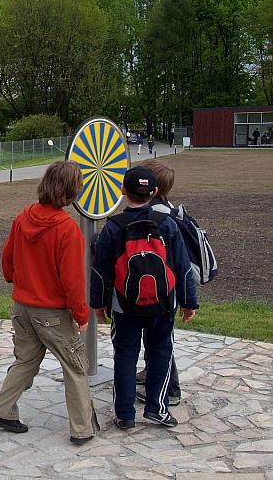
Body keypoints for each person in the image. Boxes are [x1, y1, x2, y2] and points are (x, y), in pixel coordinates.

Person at [0, 161, 99, 446]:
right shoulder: (67, 230)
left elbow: (7, 261)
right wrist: (81, 314)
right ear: (72, 190)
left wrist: (17, 280)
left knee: (26, 359)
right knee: (75, 367)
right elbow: (73, 281)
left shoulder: (22, 218)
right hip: (53, 312)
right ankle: (82, 428)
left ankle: (2, 409)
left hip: (22, 306)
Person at [90, 167, 198, 430]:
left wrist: (98, 304)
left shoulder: (113, 227)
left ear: (122, 191)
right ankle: (156, 409)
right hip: (163, 305)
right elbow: (183, 266)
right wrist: (188, 301)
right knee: (160, 353)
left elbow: (101, 270)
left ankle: (125, 414)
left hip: (124, 305)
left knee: (125, 356)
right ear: (155, 192)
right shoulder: (168, 224)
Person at [132, 159, 191, 406]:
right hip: (167, 288)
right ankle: (151, 373)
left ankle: (171, 390)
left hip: (160, 290)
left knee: (162, 343)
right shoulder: (167, 208)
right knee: (157, 339)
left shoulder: (157, 215)